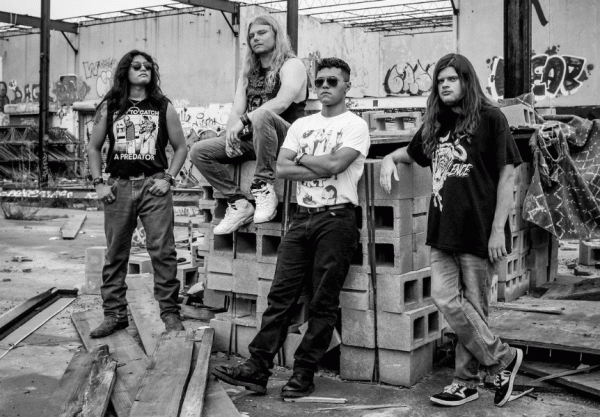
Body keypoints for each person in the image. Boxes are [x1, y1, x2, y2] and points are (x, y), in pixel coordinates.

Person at [212, 57, 369, 397]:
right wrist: (317, 164)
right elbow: (281, 169)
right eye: (320, 81)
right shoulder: (301, 126)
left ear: (347, 86)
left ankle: (303, 373)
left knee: (323, 303)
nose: (325, 86)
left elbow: (335, 164)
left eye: (332, 81)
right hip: (302, 218)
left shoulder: (355, 125)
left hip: (337, 220)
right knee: (280, 297)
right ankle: (257, 368)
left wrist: (302, 159)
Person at [380, 53, 524, 407]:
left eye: (451, 79)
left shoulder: (491, 118)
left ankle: (465, 382)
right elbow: (412, 153)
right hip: (443, 229)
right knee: (445, 299)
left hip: (479, 230)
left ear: (466, 81)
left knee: (474, 307)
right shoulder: (437, 123)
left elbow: (508, 175)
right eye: (440, 80)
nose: (444, 85)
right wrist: (388, 158)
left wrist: (498, 230)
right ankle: (503, 359)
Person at [87, 50, 188, 337]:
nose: (143, 69)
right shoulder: (110, 106)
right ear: (125, 71)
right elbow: (93, 148)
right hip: (118, 187)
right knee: (115, 254)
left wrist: (168, 179)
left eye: (148, 66)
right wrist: (98, 183)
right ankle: (115, 315)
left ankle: (170, 314)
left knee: (163, 252)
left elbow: (181, 148)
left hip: (153, 186)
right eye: (136, 66)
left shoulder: (162, 106)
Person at [189, 14, 308, 235]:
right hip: (255, 140)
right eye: (251, 35)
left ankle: (263, 186)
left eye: (262, 33)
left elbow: (282, 103)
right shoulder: (249, 71)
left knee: (262, 115)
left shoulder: (292, 64)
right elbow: (237, 110)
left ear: (276, 34)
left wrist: (244, 121)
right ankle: (238, 202)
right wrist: (229, 137)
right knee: (198, 151)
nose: (255, 38)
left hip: (287, 140)